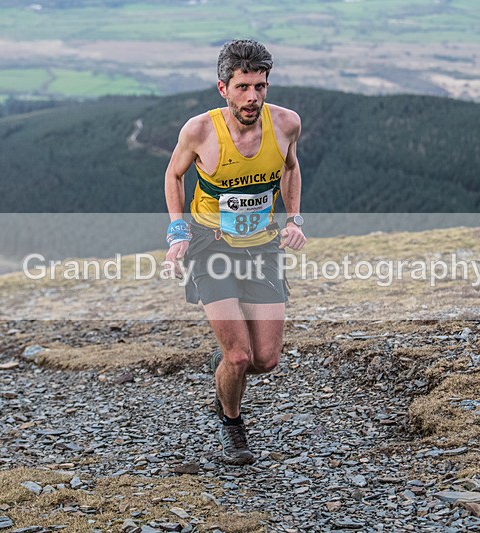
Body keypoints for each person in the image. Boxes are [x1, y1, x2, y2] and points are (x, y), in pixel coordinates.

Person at [163, 39, 306, 465]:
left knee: (265, 359)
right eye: (243, 87)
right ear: (222, 88)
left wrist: (295, 220)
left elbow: (291, 168)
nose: (253, 97)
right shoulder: (200, 131)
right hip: (211, 246)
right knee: (240, 355)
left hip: (262, 247)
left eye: (260, 87)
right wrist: (177, 232)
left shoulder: (286, 124)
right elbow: (173, 175)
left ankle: (224, 365)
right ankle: (232, 425)